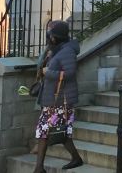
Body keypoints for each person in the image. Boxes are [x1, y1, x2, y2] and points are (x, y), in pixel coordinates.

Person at [32, 21, 83, 172]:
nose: (49, 37)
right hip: (54, 99)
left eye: (51, 35)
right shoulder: (57, 49)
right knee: (59, 132)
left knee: (46, 131)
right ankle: (75, 158)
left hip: (61, 100)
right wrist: (48, 57)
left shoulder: (67, 51)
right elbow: (41, 66)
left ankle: (39, 168)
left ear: (57, 37)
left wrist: (49, 73)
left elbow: (70, 73)